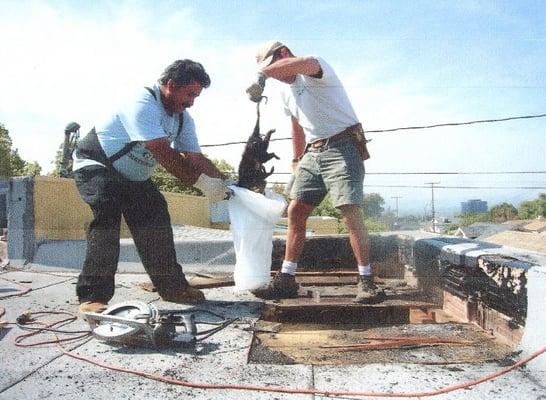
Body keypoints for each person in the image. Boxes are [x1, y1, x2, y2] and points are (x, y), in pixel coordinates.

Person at [73, 59, 230, 314]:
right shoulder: (142, 102)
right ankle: (93, 297)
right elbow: (161, 151)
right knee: (106, 219)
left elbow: (196, 158)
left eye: (196, 96)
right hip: (97, 166)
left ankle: (172, 288)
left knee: (156, 218)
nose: (192, 102)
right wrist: (202, 184)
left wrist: (226, 184)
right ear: (170, 85)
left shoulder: (183, 120)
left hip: (134, 178)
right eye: (189, 94)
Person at [246, 41, 385, 303]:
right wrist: (297, 161)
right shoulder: (286, 92)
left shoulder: (316, 66)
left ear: (284, 54)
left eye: (273, 67)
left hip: (342, 145)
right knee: (296, 211)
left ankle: (367, 282)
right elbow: (297, 128)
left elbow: (304, 64)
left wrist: (262, 75)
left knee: (349, 210)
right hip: (312, 151)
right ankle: (286, 280)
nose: (274, 75)